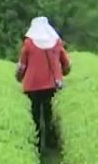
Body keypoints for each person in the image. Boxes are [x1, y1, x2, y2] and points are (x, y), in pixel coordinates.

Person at [17, 16, 71, 150]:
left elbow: (22, 65)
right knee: (49, 114)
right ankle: (51, 143)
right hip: (52, 85)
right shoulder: (56, 42)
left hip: (32, 85)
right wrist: (63, 73)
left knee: (35, 114)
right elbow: (66, 63)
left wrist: (19, 77)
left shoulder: (29, 43)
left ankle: (38, 143)